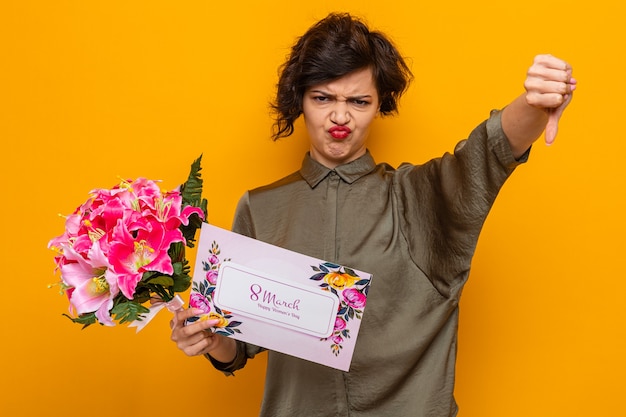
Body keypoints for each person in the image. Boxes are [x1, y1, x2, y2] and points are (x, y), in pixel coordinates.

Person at [170, 12, 576, 417]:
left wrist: (534, 103)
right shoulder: (259, 208)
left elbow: (483, 157)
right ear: (301, 100)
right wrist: (206, 340)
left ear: (380, 103)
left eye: (358, 101)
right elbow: (238, 345)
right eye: (323, 97)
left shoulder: (420, 198)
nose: (340, 116)